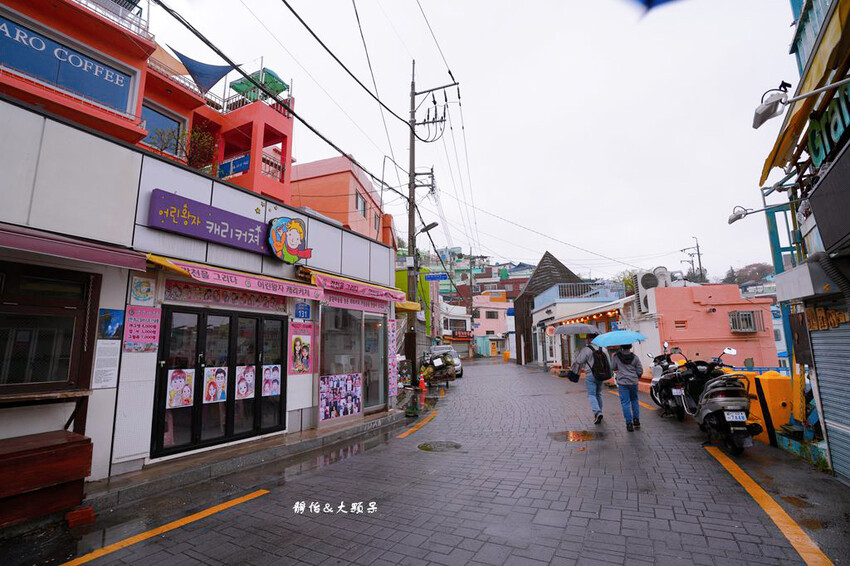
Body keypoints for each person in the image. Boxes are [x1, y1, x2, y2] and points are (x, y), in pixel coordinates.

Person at [570, 334, 607, 424]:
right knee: (598, 394)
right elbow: (608, 362)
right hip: (601, 375)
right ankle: (599, 412)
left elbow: (579, 361)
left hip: (590, 375)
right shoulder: (604, 349)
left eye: (587, 338)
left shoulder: (586, 349)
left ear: (590, 339)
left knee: (591, 395)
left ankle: (597, 412)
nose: (586, 340)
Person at [611, 344, 643, 432]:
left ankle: (629, 424)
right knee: (634, 400)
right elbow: (640, 370)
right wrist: (636, 376)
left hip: (622, 382)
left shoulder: (616, 357)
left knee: (625, 403)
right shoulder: (635, 357)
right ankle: (636, 420)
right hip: (633, 382)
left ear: (622, 347)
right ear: (630, 347)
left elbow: (613, 367)